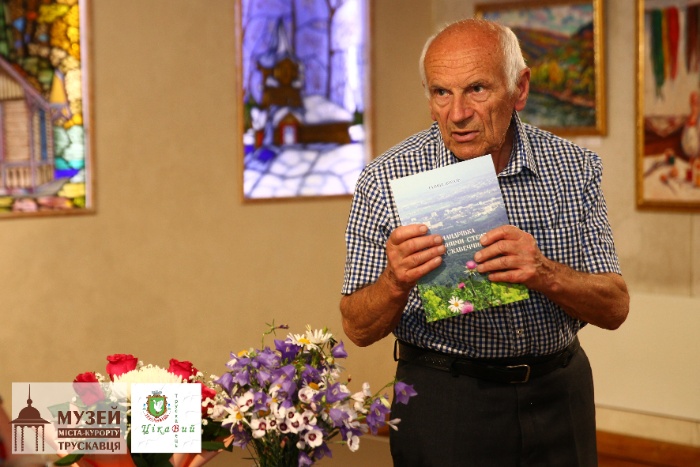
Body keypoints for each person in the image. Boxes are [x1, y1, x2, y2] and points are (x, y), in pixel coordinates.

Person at [340, 18, 629, 467]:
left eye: (476, 89)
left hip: (558, 393)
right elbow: (357, 329)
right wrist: (395, 282)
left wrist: (544, 273)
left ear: (520, 89)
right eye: (441, 92)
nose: (457, 113)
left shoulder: (574, 169)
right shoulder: (385, 179)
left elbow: (615, 308)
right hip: (446, 399)